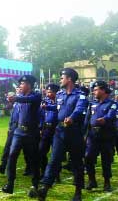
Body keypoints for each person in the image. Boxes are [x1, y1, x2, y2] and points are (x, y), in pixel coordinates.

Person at [38, 68, 89, 201]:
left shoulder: (80, 95)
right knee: (54, 160)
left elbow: (80, 108)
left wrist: (72, 117)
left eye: (62, 77)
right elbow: (58, 108)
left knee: (77, 163)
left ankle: (78, 191)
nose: (60, 79)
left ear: (69, 79)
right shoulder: (60, 94)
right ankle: (45, 187)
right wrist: (47, 107)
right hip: (60, 131)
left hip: (74, 132)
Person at [1, 75, 41, 197]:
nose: (20, 86)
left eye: (22, 84)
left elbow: (27, 100)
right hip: (18, 132)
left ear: (29, 85)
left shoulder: (36, 96)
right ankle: (10, 184)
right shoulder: (20, 98)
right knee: (12, 157)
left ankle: (35, 185)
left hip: (31, 133)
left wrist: (16, 98)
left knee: (33, 159)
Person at [84, 80, 117, 192]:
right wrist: (84, 133)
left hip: (106, 135)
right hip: (93, 135)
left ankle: (107, 182)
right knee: (88, 158)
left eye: (96, 90)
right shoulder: (92, 103)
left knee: (106, 160)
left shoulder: (111, 103)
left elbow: (111, 115)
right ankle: (92, 180)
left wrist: (105, 119)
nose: (94, 92)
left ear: (103, 90)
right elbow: (87, 119)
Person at [0, 86, 21, 174]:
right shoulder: (16, 102)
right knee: (7, 147)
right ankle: (3, 165)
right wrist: (10, 127)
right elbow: (11, 113)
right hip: (13, 127)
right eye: (16, 90)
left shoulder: (24, 101)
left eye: (18, 89)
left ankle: (31, 168)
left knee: (26, 150)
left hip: (21, 128)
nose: (16, 91)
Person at [39, 84, 59, 176]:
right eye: (47, 92)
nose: (48, 94)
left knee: (55, 154)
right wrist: (41, 128)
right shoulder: (45, 102)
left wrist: (47, 107)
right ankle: (44, 171)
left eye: (50, 92)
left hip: (56, 130)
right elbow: (42, 116)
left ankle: (56, 174)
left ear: (56, 92)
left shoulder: (60, 102)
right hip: (46, 129)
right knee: (41, 151)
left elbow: (57, 109)